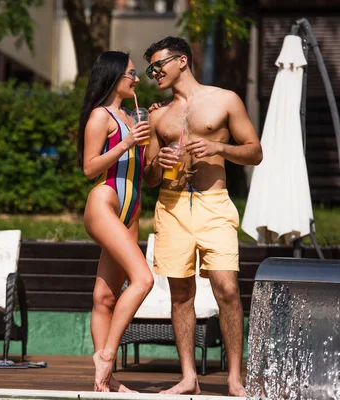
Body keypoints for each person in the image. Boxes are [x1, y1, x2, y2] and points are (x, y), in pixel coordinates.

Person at [142, 37, 263, 397]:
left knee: (226, 288)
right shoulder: (158, 114)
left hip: (214, 204)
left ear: (181, 61)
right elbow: (148, 178)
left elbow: (255, 151)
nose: (153, 73)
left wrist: (217, 147)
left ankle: (235, 379)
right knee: (180, 295)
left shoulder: (225, 100)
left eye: (157, 65)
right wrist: (156, 164)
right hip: (172, 204)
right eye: (149, 68)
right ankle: (188, 378)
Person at [77, 51, 154, 392]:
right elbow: (90, 168)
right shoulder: (101, 116)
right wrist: (125, 142)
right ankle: (107, 355)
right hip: (105, 203)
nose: (137, 79)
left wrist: (156, 152)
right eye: (132, 74)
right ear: (114, 75)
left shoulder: (130, 116)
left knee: (105, 298)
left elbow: (146, 175)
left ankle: (105, 380)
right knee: (143, 279)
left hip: (132, 210)